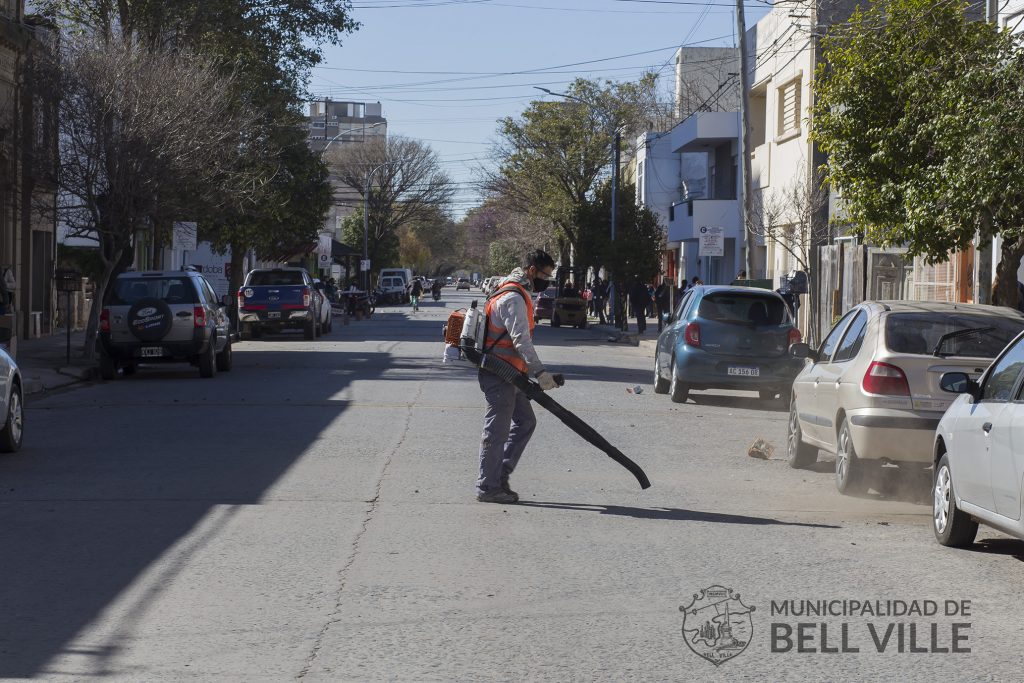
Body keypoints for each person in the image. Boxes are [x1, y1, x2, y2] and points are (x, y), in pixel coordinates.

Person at [475, 249, 559, 504]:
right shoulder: (513, 296)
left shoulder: (517, 291)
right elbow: (520, 339)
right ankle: (487, 487)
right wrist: (541, 372)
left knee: (525, 422)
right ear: (532, 270)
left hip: (511, 373)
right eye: (545, 275)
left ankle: (499, 475)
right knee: (496, 432)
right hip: (499, 373)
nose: (547, 280)